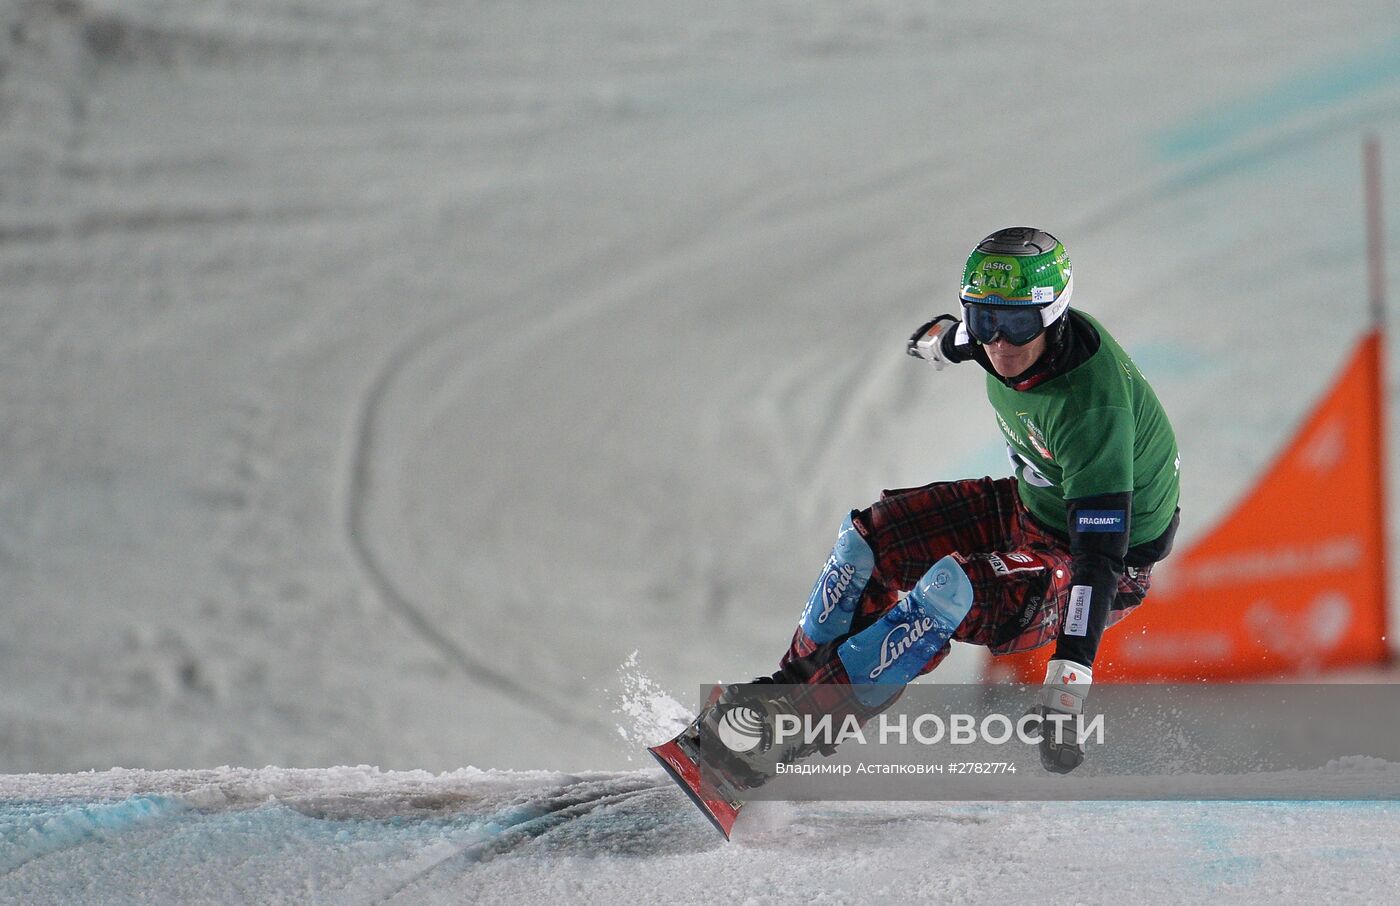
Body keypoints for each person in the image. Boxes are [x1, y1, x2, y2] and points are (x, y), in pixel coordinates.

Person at [703, 226, 1181, 777]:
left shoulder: (1090, 407)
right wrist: (938, 340)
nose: (1000, 344)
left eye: (1019, 323)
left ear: (1055, 314)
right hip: (1032, 507)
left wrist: (1068, 685)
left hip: (1094, 562)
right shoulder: (997, 338)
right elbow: (955, 338)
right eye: (985, 319)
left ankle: (787, 734)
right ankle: (780, 704)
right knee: (866, 541)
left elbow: (1100, 561)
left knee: (950, 592)